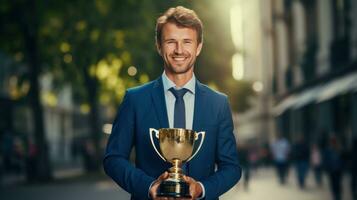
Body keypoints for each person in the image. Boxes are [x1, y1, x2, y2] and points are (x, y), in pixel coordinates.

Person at [103, 6, 241, 200]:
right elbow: (113, 159)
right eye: (171, 42)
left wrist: (201, 188)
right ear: (159, 46)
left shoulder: (218, 103)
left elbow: (232, 167)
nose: (179, 50)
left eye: (187, 42)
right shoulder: (135, 99)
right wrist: (149, 187)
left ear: (198, 47)